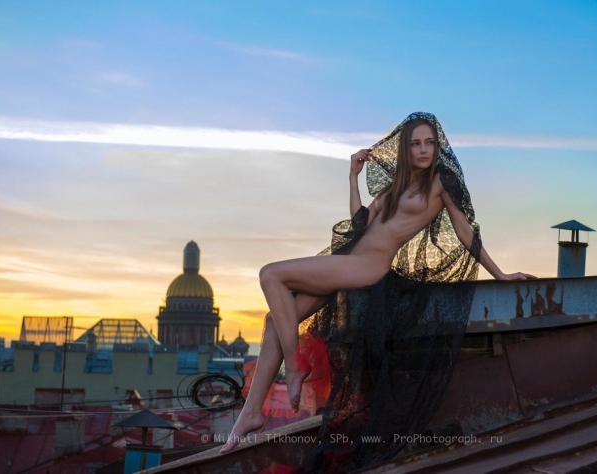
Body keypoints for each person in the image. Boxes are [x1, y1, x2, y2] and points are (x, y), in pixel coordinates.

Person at [220, 112, 535, 471]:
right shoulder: (395, 186)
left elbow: (465, 232)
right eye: (416, 143)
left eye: (429, 143)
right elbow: (359, 224)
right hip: (349, 259)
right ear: (405, 148)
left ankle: (293, 368)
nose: (423, 150)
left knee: (270, 274)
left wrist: (500, 273)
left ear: (438, 146)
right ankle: (250, 414)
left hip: (368, 266)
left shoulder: (441, 181)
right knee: (274, 320)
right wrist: (352, 177)